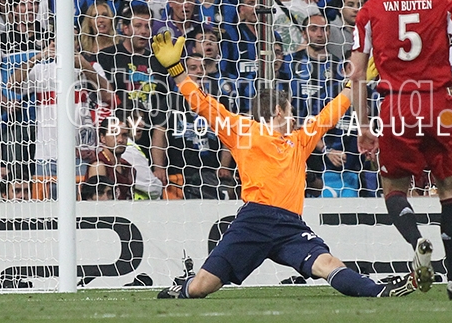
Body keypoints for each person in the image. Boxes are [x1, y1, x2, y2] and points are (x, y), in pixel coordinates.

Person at [150, 31, 418, 299]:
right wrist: (177, 70)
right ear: (278, 111)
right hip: (254, 220)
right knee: (200, 288)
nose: (293, 116)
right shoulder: (242, 130)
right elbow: (203, 105)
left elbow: (331, 112)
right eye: (290, 110)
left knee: (328, 264)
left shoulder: (299, 140)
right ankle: (183, 286)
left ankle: (379, 290)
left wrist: (355, 83)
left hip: (291, 226)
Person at [349, 0, 452, 299]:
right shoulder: (445, 5)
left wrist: (364, 126)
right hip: (439, 104)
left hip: (397, 106)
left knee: (394, 189)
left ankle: (417, 239)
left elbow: (358, 75)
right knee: (449, 189)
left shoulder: (371, 11)